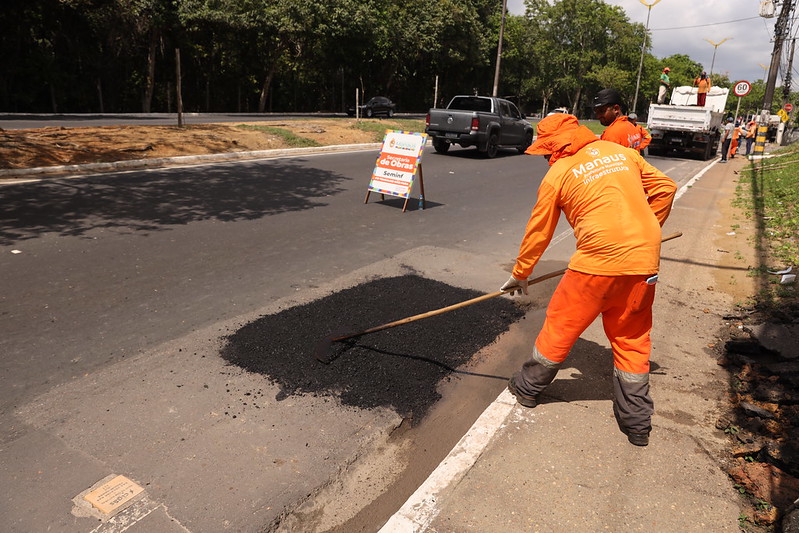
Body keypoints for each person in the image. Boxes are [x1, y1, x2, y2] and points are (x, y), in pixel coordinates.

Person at [501, 113, 677, 447]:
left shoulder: (559, 174)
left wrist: (521, 274)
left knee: (561, 326)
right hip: (643, 263)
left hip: (595, 266)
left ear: (554, 147)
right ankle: (637, 425)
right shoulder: (624, 154)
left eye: (545, 152)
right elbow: (666, 188)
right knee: (632, 338)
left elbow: (539, 231)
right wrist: (646, 234)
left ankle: (526, 388)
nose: (544, 159)